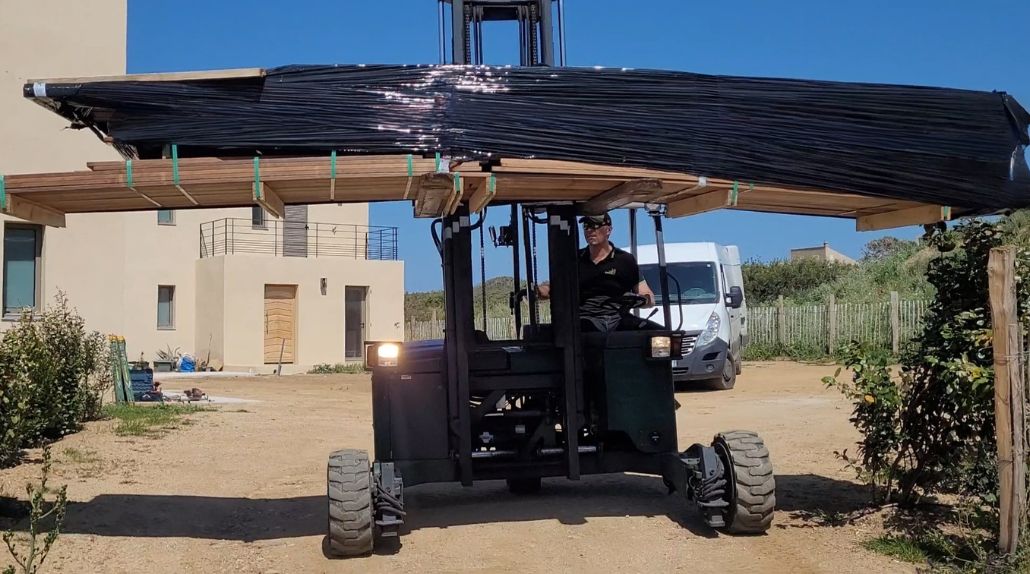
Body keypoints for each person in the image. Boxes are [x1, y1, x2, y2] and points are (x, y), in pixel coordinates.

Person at [537, 212, 658, 332]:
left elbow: (647, 296)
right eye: (586, 226)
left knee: (661, 335)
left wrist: (642, 300)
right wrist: (536, 291)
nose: (590, 230)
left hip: (619, 318)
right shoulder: (574, 260)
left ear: (608, 230)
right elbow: (554, 289)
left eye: (595, 226)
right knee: (572, 332)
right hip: (585, 319)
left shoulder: (625, 260)